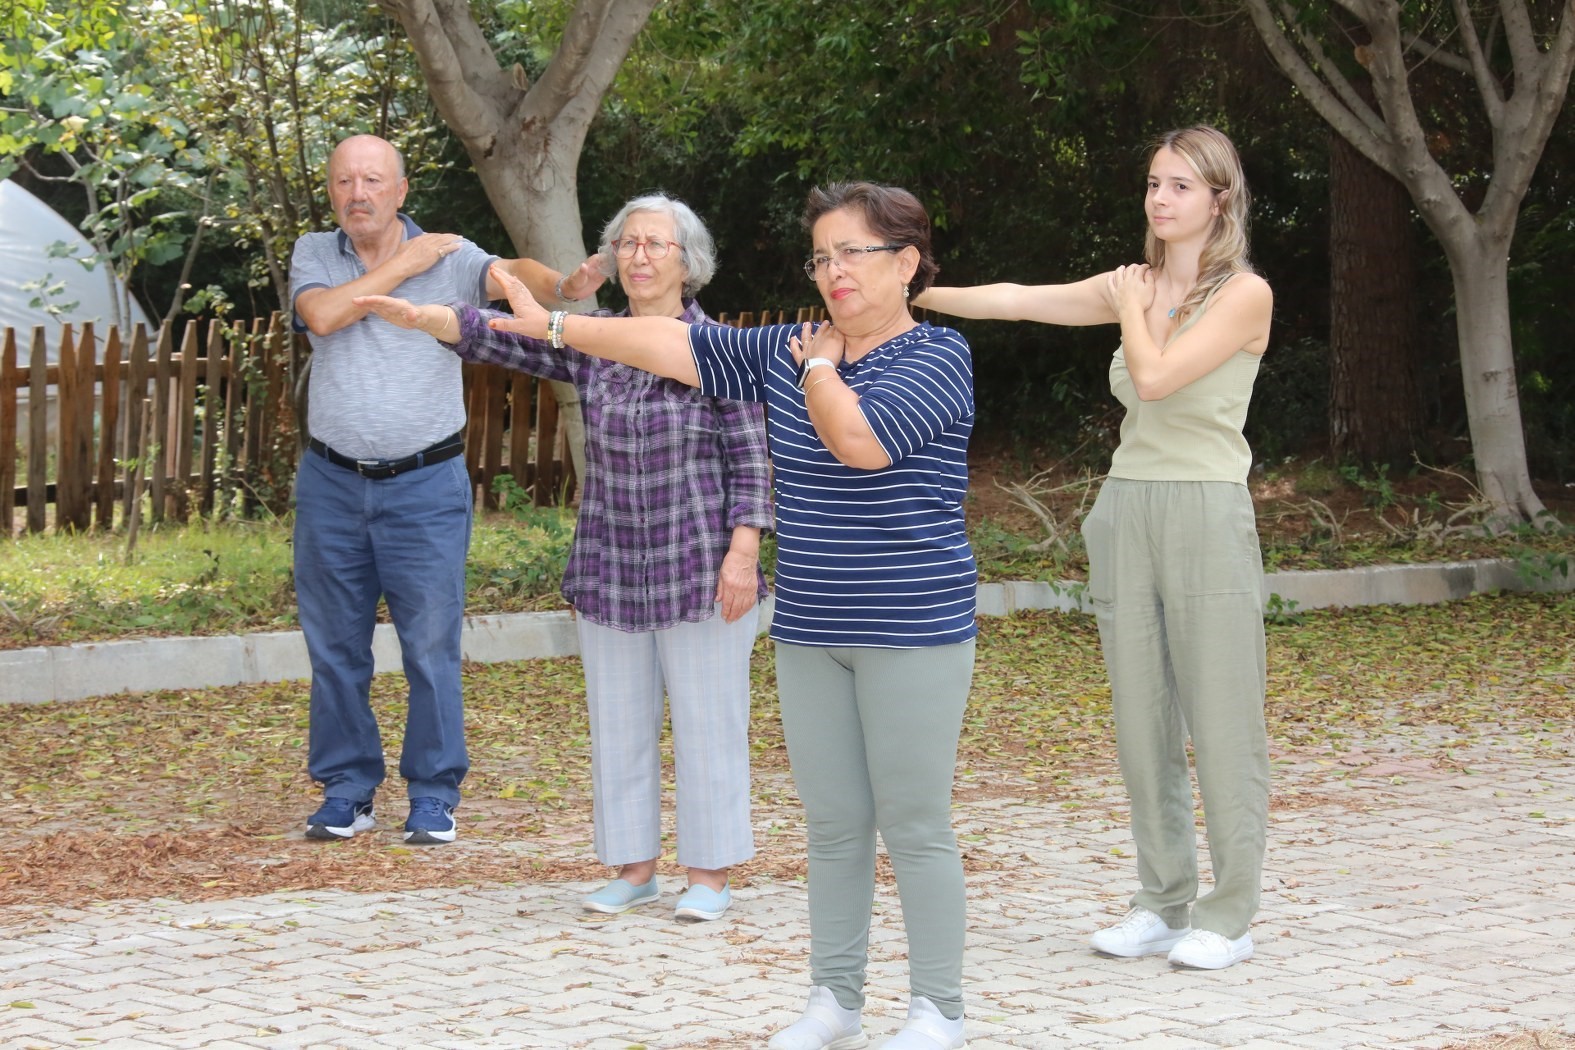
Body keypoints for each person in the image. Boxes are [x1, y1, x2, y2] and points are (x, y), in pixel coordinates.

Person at [357, 181, 977, 1050]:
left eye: (854, 254)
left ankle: (938, 1009)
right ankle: (835, 999)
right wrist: (552, 326)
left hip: (909, 627)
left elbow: (860, 443)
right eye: (822, 255)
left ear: (906, 264)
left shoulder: (935, 356)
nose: (833, 272)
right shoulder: (775, 348)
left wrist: (820, 363)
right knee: (834, 827)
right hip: (809, 629)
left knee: (911, 824)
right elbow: (666, 342)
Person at [351, 194, 772, 920]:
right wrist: (429, 319)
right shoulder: (592, 335)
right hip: (609, 561)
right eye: (627, 244)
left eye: (654, 244)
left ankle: (708, 876)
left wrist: (743, 552)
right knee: (617, 722)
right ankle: (634, 868)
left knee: (709, 722)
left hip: (701, 563)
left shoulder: (718, 348)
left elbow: (754, 458)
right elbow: (502, 336)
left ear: (687, 262)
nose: (638, 256)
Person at [916, 125, 1273, 971]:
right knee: (1140, 721)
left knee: (1222, 720)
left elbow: (1153, 378)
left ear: (1218, 198)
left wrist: (1131, 310)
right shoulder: (1131, 283)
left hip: (1205, 511)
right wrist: (913, 294)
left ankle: (1229, 914)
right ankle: (1161, 900)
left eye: (1180, 186)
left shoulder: (1243, 293)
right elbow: (1018, 299)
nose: (1159, 199)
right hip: (1127, 508)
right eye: (1153, 182)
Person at [289, 134, 598, 846]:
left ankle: (432, 793)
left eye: (372, 180)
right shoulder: (316, 254)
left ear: (401, 190)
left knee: (429, 647)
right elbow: (326, 317)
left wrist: (562, 287)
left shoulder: (450, 255)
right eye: (344, 182)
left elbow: (510, 272)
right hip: (332, 483)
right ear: (331, 192)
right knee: (335, 647)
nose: (357, 194)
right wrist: (411, 260)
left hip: (424, 485)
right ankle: (346, 788)